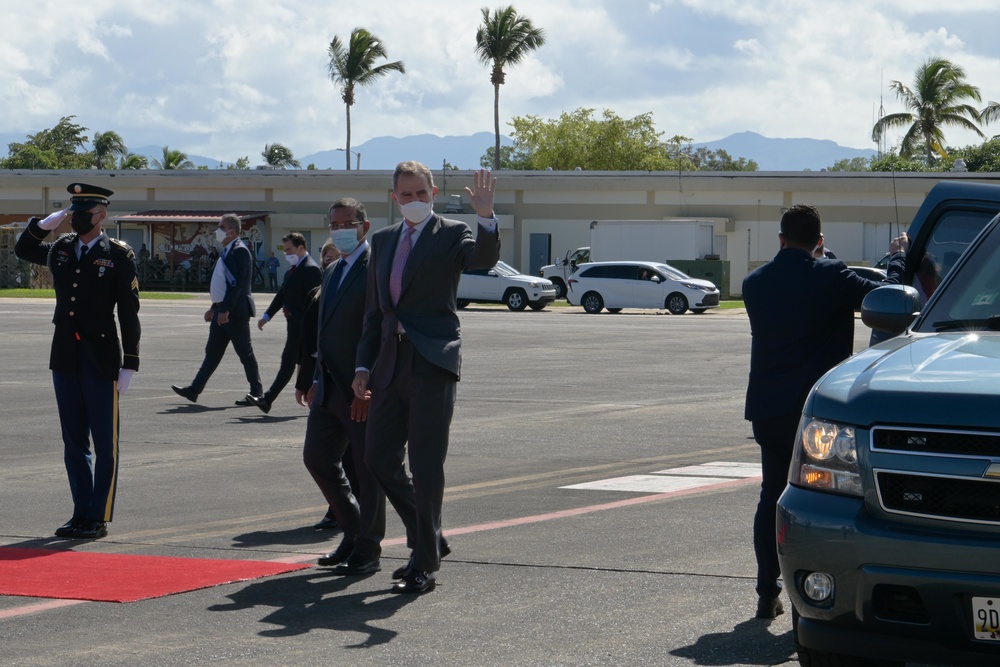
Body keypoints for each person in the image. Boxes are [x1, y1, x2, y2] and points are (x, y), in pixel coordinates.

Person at [743, 204, 908, 619]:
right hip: (817, 417)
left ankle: (767, 589)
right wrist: (898, 255)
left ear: (780, 239)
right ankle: (818, 591)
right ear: (819, 240)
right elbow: (887, 291)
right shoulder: (831, 275)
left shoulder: (754, 283)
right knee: (822, 505)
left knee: (770, 496)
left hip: (769, 409)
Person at [352, 162, 500, 594]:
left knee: (425, 463)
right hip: (388, 362)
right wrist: (363, 366)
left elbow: (484, 260)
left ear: (433, 192)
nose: (414, 202)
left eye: (421, 193)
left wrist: (486, 217)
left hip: (432, 361)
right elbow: (375, 311)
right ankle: (429, 536)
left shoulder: (451, 234)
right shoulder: (381, 241)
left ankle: (424, 562)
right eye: (406, 195)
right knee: (377, 457)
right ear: (393, 197)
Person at [14, 182, 141, 540]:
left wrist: (130, 362)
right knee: (74, 441)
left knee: (104, 442)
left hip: (101, 357)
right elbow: (24, 249)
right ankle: (80, 511)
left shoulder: (118, 254)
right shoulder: (62, 249)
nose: (76, 220)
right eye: (73, 213)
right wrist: (42, 225)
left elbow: (129, 312)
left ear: (101, 216)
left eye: (83, 214)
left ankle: (98, 516)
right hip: (65, 355)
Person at [294, 198, 390, 573]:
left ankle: (368, 549)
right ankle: (352, 532)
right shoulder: (332, 270)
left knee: (368, 473)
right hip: (328, 388)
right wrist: (315, 379)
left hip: (360, 388)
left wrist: (370, 385)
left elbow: (381, 330)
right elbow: (322, 333)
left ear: (365, 227)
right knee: (317, 459)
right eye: (334, 224)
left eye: (348, 223)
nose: (340, 230)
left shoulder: (375, 268)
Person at [171, 214, 263, 406]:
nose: (217, 231)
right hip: (223, 310)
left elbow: (237, 285)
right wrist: (215, 307)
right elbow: (223, 284)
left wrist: (225, 309)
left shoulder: (239, 251)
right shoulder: (228, 250)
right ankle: (194, 390)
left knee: (244, 353)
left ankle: (257, 393)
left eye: (221, 227)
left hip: (235, 313)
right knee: (212, 353)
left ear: (232, 230)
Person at [250, 233, 322, 414]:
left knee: (292, 362)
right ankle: (271, 399)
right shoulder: (293, 269)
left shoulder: (311, 269)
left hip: (303, 327)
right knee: (294, 363)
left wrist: (294, 314)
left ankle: (269, 399)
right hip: (294, 327)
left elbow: (314, 304)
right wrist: (267, 315)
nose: (286, 254)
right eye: (285, 250)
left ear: (300, 248)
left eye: (289, 250)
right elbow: (282, 294)